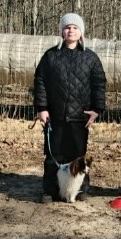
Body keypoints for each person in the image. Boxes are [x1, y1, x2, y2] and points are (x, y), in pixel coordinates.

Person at [34, 13, 106, 203]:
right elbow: (40, 81)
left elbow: (99, 84)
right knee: (52, 156)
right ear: (61, 32)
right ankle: (50, 190)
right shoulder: (50, 56)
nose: (71, 30)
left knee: (78, 155)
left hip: (79, 118)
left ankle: (80, 188)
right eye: (67, 27)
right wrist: (42, 108)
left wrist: (97, 109)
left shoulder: (90, 58)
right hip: (55, 117)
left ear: (81, 32)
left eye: (75, 27)